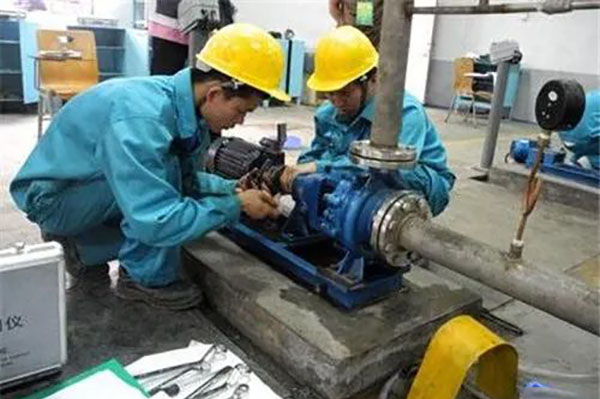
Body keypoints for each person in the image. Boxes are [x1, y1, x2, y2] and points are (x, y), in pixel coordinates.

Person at [10, 23, 290, 310]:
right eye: (241, 111)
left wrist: (231, 189)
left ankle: (83, 247)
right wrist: (235, 206)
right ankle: (141, 278)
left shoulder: (184, 108)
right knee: (162, 197)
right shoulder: (143, 120)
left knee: (168, 184)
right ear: (214, 94)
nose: (240, 122)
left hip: (85, 185)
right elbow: (157, 217)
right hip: (54, 201)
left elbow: (187, 178)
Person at [280, 26, 454, 216]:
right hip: (356, 172)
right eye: (329, 93)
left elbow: (388, 169)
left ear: (373, 79)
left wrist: (320, 167)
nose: (337, 102)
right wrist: (295, 176)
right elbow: (314, 155)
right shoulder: (326, 114)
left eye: (345, 93)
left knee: (390, 172)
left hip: (417, 180)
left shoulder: (404, 113)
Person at [559, 89, 600, 170]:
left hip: (565, 134)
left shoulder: (594, 95)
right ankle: (593, 162)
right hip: (588, 137)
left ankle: (580, 160)